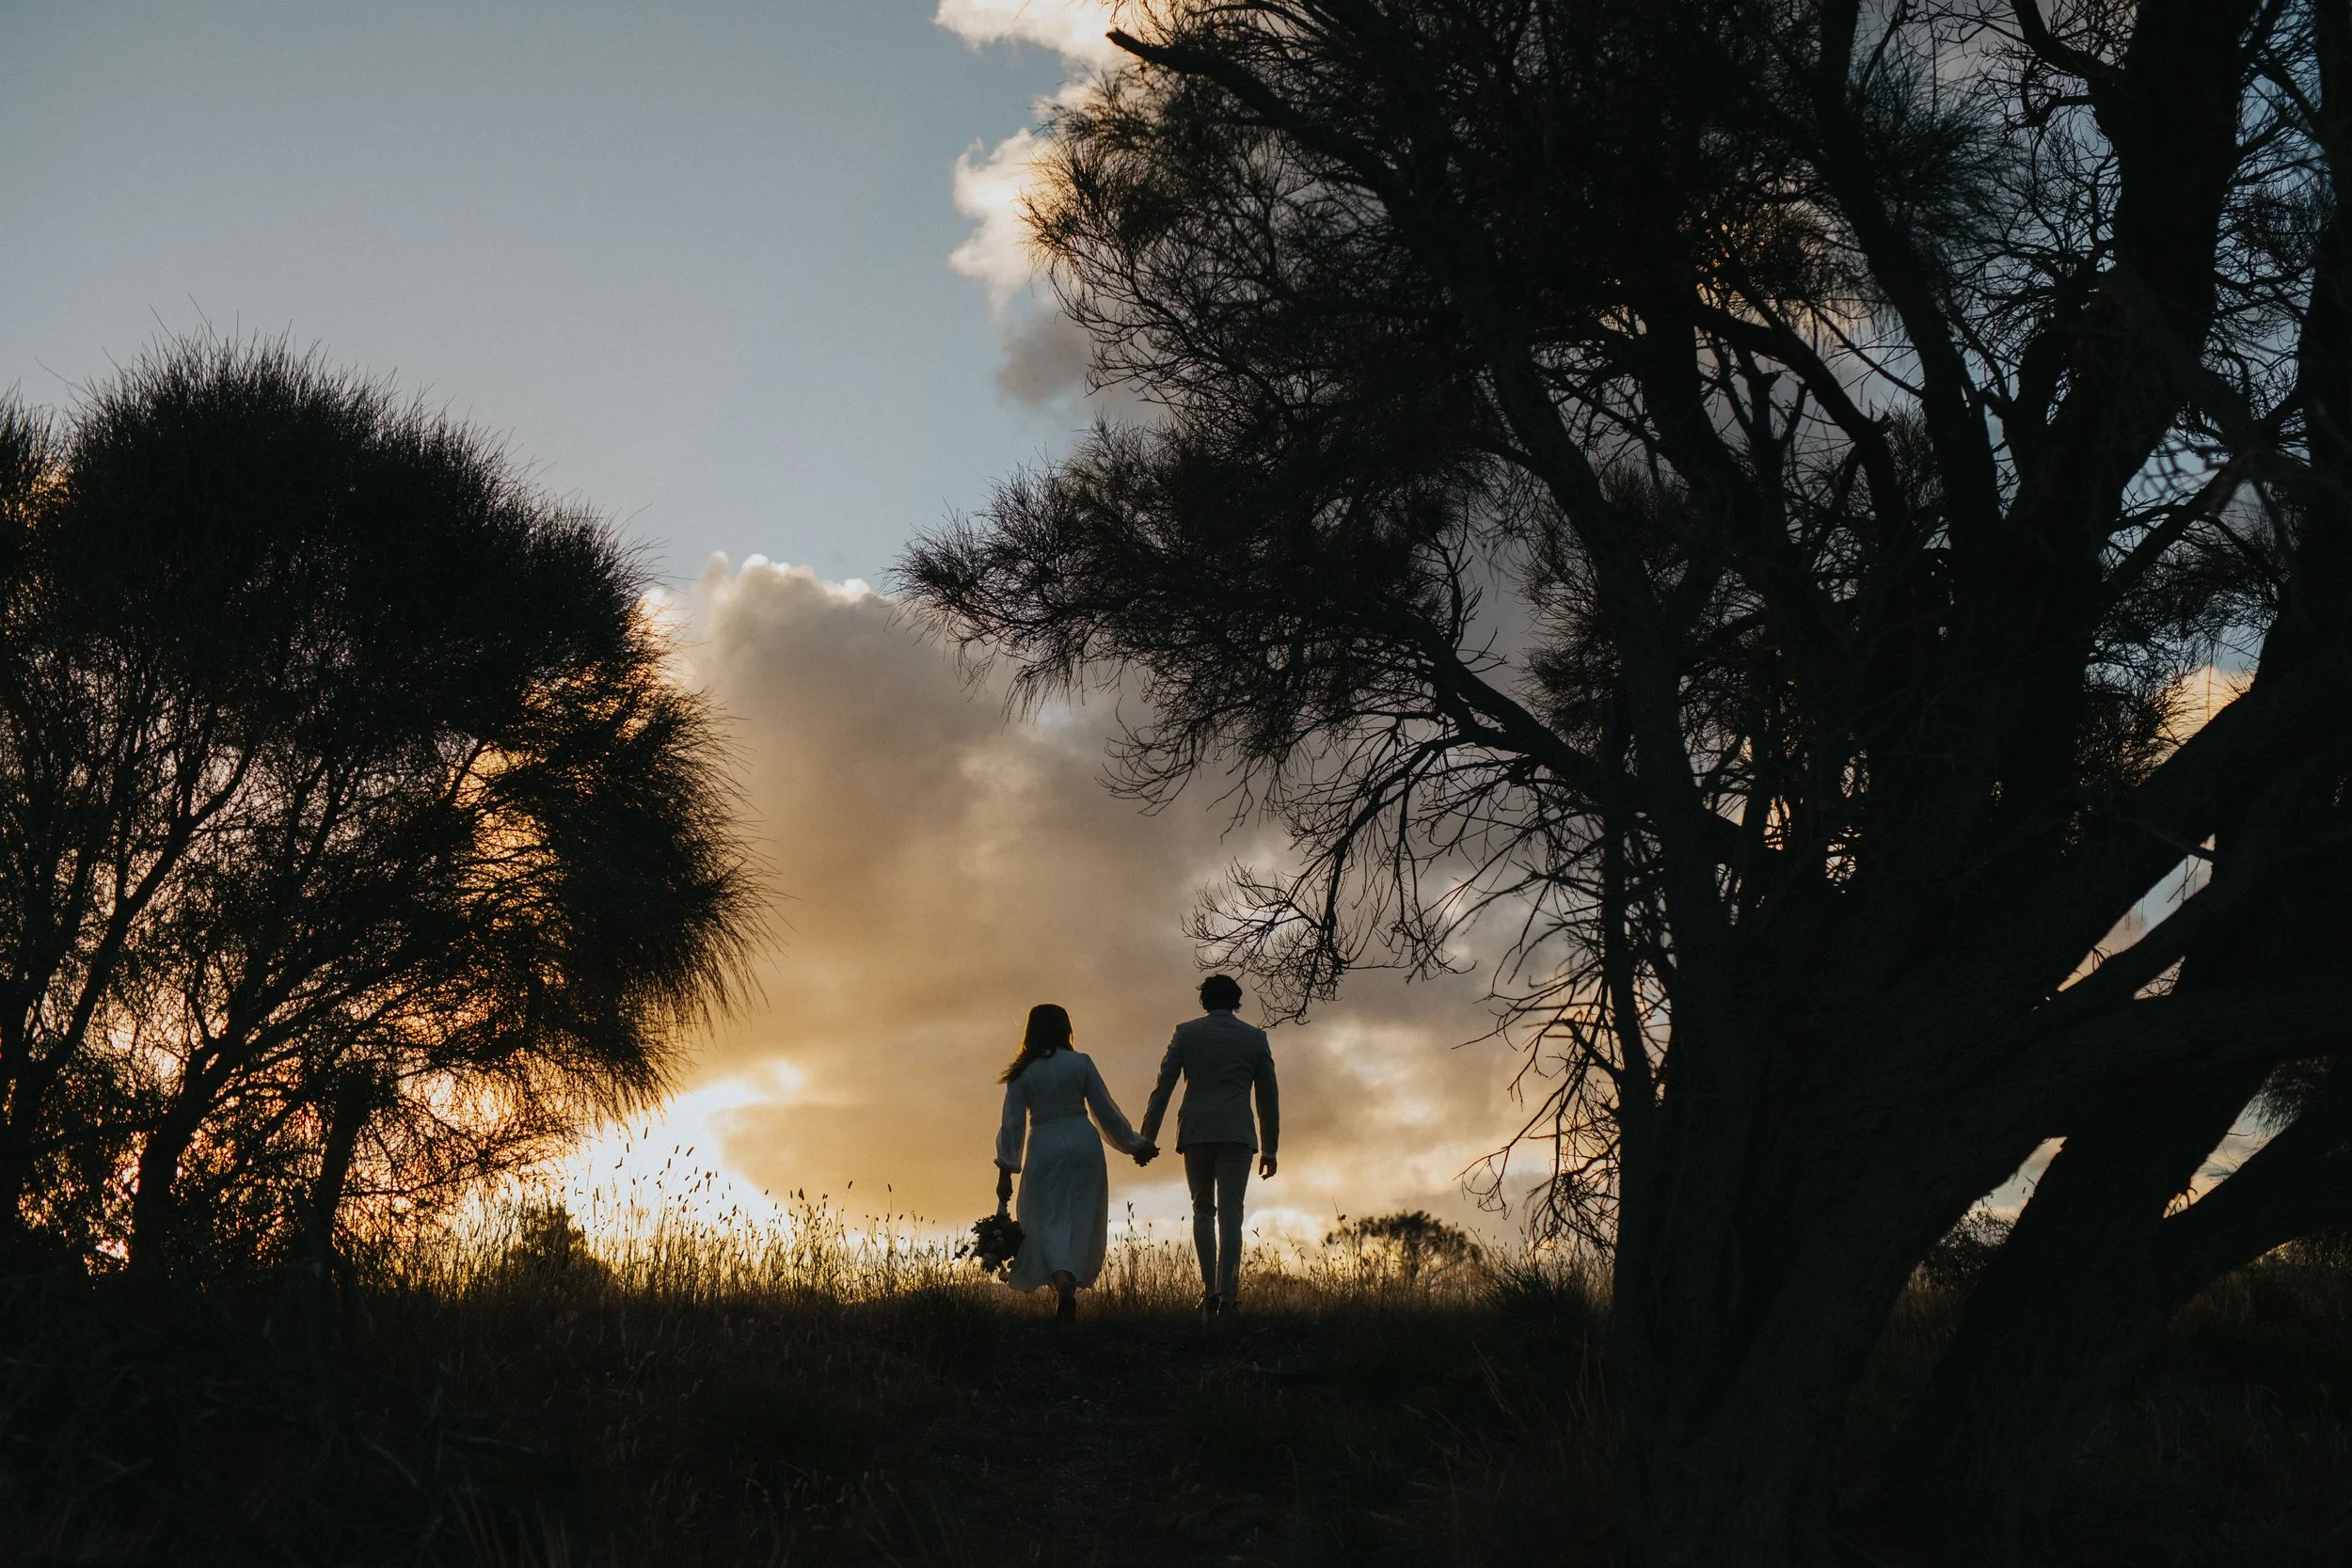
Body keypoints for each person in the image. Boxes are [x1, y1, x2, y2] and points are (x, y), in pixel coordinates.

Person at [992, 1002, 1156, 1323]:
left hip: (1045, 1146)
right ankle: (1069, 1277)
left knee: (1042, 1219)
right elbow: (1105, 1110)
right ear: (1066, 1028)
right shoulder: (1081, 1063)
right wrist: (1135, 1144)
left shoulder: (1022, 1071)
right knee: (1079, 1215)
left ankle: (1062, 1279)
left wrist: (1006, 1170)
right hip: (1084, 1142)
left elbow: (1011, 1125)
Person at [1137, 974, 1279, 1316]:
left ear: (1204, 1002)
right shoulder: (1254, 1037)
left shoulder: (1187, 1033)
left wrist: (1146, 1137)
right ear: (1236, 1001)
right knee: (1232, 1214)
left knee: (1203, 1211)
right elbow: (1268, 1096)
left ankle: (1209, 1290)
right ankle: (1229, 1296)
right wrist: (1270, 1148)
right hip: (1236, 1134)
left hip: (1196, 1131)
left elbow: (1164, 1087)